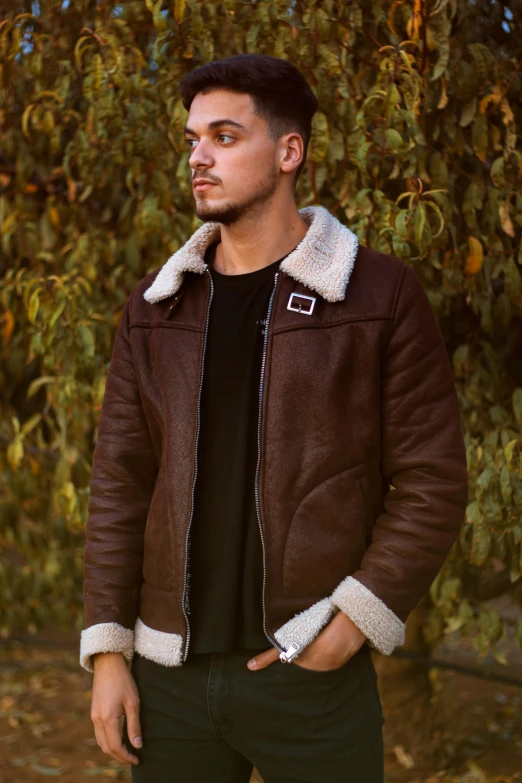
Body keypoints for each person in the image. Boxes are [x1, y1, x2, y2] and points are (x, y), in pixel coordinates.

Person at [79, 54, 468, 782]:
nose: (199, 156)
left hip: (310, 676)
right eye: (193, 139)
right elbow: (119, 486)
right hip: (171, 683)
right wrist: (108, 653)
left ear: (290, 152)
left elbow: (432, 478)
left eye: (225, 136)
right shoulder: (156, 308)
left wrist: (351, 621)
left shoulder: (378, 295)